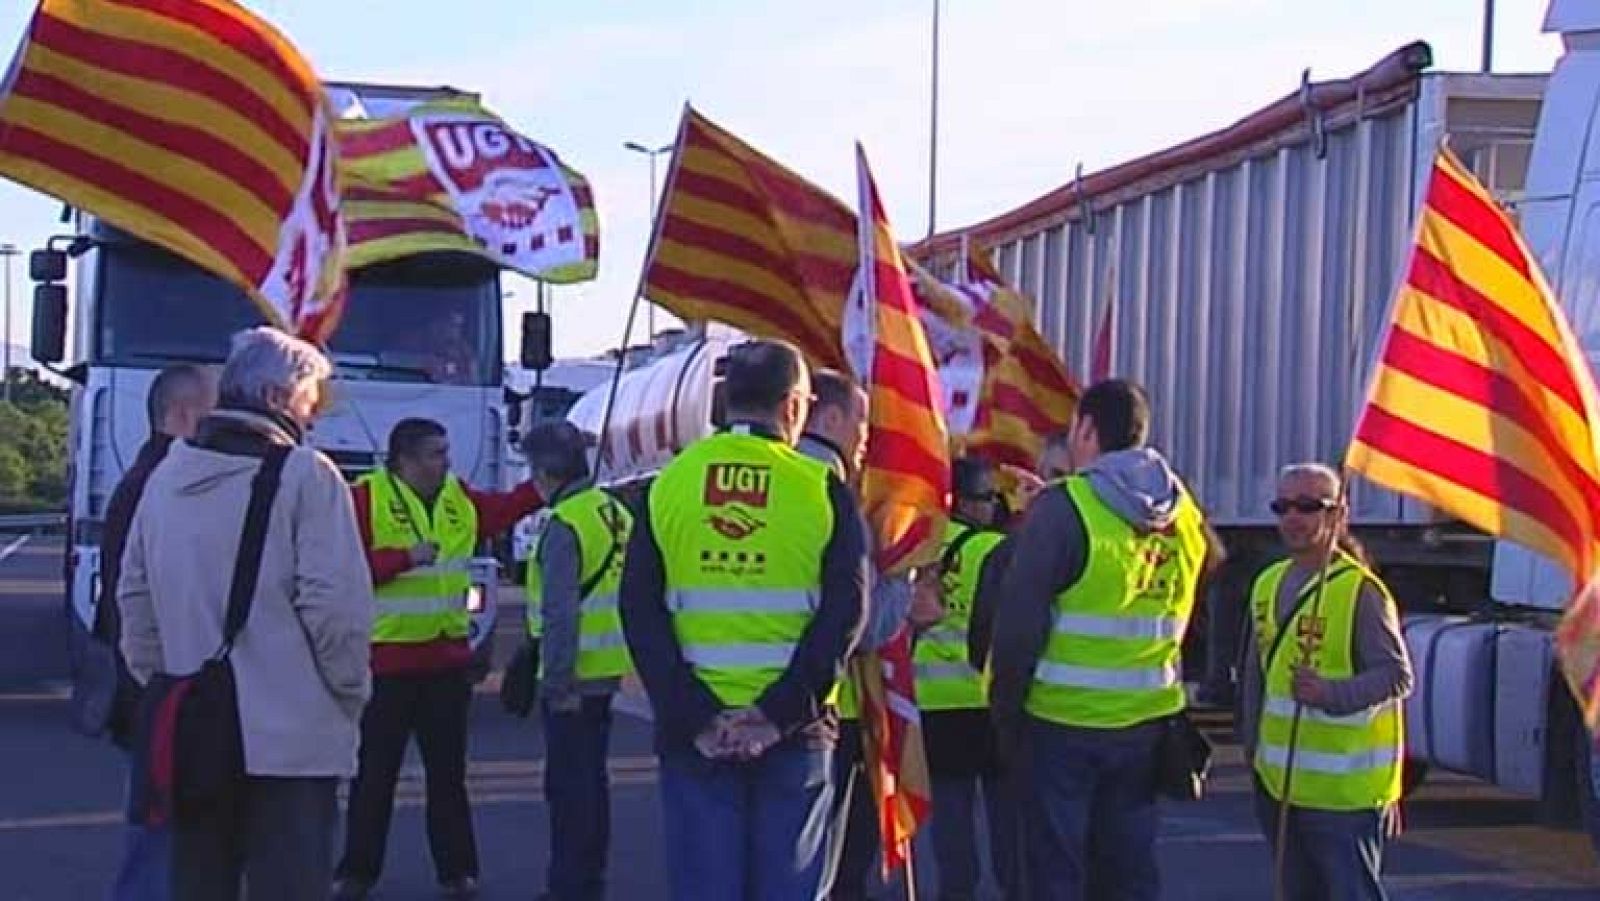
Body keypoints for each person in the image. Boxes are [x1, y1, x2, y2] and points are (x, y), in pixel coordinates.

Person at [118, 327, 374, 900]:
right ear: (281, 398)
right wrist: (349, 695)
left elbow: (134, 602)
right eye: (313, 398)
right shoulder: (308, 477)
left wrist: (171, 680)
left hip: (193, 731)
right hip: (291, 743)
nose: (315, 415)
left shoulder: (166, 477)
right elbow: (337, 613)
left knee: (198, 882)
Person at [620, 340, 869, 901]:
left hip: (697, 738)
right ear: (793, 408)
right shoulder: (821, 489)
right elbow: (846, 613)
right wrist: (776, 715)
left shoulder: (670, 483)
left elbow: (640, 612)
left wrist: (697, 716)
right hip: (794, 733)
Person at [990, 378, 1224, 901]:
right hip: (1145, 722)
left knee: (1056, 875)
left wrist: (1005, 713)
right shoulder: (1185, 512)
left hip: (1061, 723)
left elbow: (1017, 628)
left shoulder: (1067, 505)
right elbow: (1205, 590)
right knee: (1128, 873)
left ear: (1087, 429)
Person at [334, 418, 544, 900]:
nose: (445, 462)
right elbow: (341, 568)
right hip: (385, 665)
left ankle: (458, 872)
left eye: (445, 452)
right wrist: (403, 558)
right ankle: (356, 873)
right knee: (374, 777)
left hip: (445, 663)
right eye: (435, 454)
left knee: (448, 777)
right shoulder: (364, 499)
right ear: (404, 460)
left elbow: (505, 509)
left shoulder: (458, 497)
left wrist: (544, 481)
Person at [1240, 464, 1412, 901]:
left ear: (1340, 515)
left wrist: (1330, 694)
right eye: (1283, 507)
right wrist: (1254, 758)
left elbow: (1396, 675)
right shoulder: (1267, 583)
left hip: (1343, 798)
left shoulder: (1361, 592)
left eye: (1309, 506)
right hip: (1279, 786)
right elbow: (1257, 680)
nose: (1292, 518)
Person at [91, 363, 215, 901]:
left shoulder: (149, 477)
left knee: (159, 829)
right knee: (160, 838)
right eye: (216, 409)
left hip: (150, 687)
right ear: (184, 413)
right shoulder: (167, 484)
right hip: (161, 688)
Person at [796, 369, 921, 901]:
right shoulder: (836, 501)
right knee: (826, 866)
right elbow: (866, 627)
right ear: (827, 416)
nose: (868, 437)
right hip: (824, 708)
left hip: (731, 703)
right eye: (862, 421)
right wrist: (903, 575)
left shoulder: (704, 484)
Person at [522, 420, 633, 901]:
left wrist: (556, 681)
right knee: (592, 786)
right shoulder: (612, 511)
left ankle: (570, 887)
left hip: (575, 678)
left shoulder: (566, 524)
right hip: (606, 672)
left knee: (569, 792)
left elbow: (560, 611)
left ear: (547, 471)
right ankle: (590, 879)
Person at [917, 457, 1019, 901]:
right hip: (987, 701)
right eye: (986, 498)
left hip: (936, 705)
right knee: (1005, 819)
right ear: (964, 502)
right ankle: (1014, 889)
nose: (992, 506)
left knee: (951, 824)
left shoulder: (921, 548)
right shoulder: (994, 550)